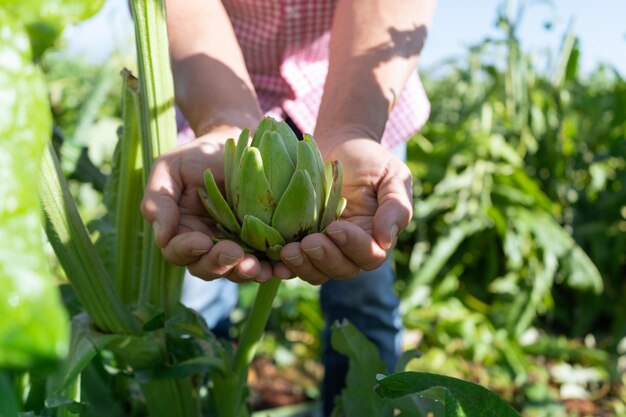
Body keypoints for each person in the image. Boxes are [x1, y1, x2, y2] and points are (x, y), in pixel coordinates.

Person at [140, 0, 436, 414]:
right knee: (193, 305)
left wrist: (354, 126)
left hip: (357, 92)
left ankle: (365, 406)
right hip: (211, 93)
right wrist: (221, 119)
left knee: (363, 298)